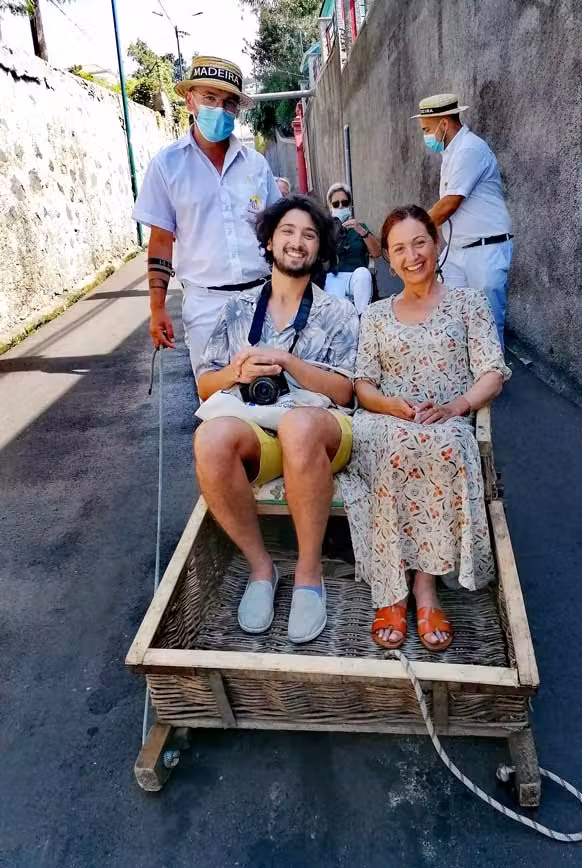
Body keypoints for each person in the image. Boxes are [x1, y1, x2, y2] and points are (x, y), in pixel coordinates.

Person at [339, 205, 510, 652]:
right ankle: (392, 591)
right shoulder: (376, 315)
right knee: (395, 445)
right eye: (399, 249)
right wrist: (391, 406)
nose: (412, 256)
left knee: (450, 446)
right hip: (385, 419)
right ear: (389, 260)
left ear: (436, 244)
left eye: (419, 243)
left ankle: (426, 588)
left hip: (446, 418)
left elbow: (493, 371)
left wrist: (458, 406)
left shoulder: (469, 303)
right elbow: (363, 385)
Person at [194, 195, 359, 644]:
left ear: (319, 250)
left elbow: (346, 391)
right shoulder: (238, 310)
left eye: (309, 235)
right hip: (259, 432)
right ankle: (261, 568)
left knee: (298, 425)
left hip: (323, 432)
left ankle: (309, 572)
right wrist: (238, 372)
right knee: (210, 439)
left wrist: (288, 362)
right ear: (269, 241)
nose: (297, 242)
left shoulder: (338, 312)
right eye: (287, 231)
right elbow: (207, 387)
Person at [133, 56, 282, 373]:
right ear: (190, 101)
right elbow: (161, 241)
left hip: (264, 298)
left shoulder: (256, 166)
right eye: (209, 98)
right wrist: (157, 308)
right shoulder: (168, 166)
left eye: (229, 103)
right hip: (205, 304)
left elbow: (279, 232)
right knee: (217, 403)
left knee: (273, 395)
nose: (220, 109)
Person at [414, 93, 513, 347]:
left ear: (444, 124)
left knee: (486, 325)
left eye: (427, 129)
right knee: (449, 316)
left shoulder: (470, 149)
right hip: (458, 252)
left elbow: (449, 204)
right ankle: (461, 379)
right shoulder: (451, 152)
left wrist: (412, 229)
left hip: (484, 251)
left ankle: (491, 385)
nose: (425, 136)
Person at [323, 183, 382, 315]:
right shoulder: (325, 229)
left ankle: (362, 318)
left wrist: (362, 232)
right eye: (336, 204)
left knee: (363, 273)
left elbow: (377, 253)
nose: (341, 207)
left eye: (344, 203)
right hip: (335, 276)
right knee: (337, 310)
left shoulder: (360, 227)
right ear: (330, 207)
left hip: (356, 275)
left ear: (350, 205)